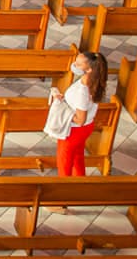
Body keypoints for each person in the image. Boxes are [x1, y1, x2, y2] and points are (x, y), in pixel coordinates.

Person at [49, 51, 108, 182]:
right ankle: (80, 180)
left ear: (89, 69)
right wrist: (64, 99)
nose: (74, 65)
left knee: (64, 161)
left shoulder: (82, 91)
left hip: (74, 130)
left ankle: (64, 188)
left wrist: (62, 108)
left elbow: (80, 119)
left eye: (78, 64)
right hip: (86, 128)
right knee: (77, 156)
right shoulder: (94, 82)